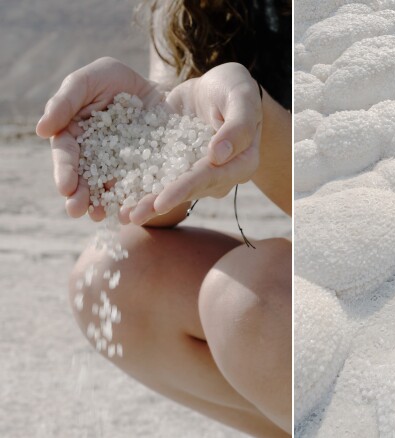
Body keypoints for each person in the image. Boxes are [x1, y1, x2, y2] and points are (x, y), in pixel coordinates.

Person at [34, 1, 292, 436]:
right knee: (111, 279)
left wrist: (259, 121)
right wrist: (139, 135)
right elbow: (163, 199)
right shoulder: (182, 11)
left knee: (250, 301)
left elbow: (366, 213)